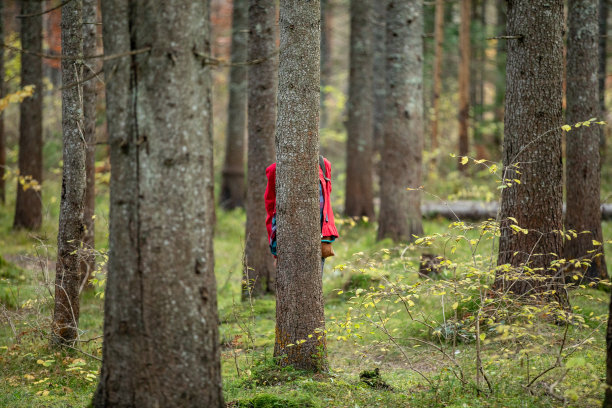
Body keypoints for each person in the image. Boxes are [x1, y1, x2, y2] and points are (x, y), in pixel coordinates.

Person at [264, 155, 339, 270]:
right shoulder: (276, 169)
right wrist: (275, 250)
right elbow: (271, 206)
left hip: (319, 238)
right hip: (288, 240)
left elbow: (327, 198)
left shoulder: (323, 165)